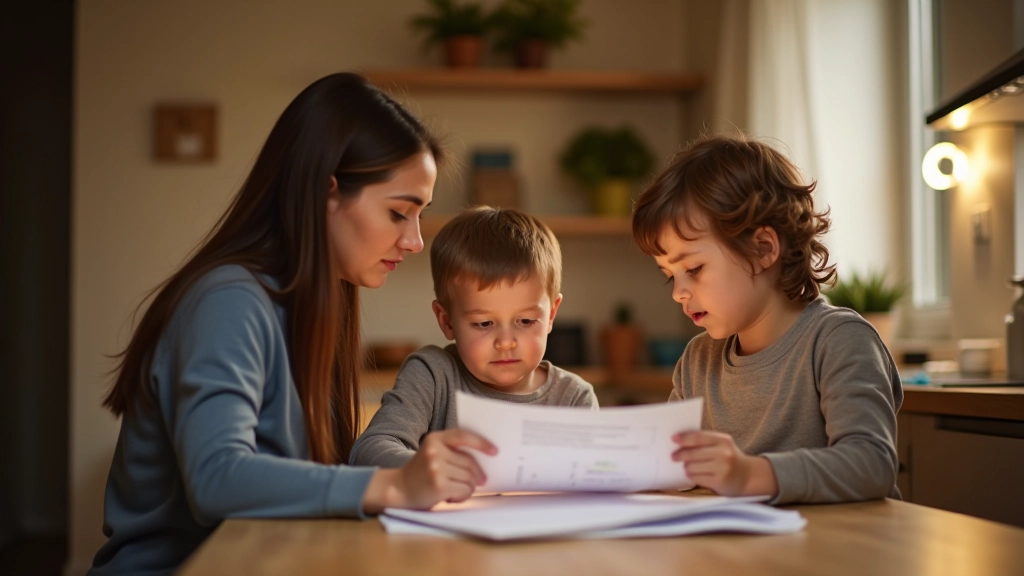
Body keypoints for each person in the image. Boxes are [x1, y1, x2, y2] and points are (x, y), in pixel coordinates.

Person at [89, 73, 498, 576]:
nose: (415, 241)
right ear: (327, 191)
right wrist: (395, 485)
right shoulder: (228, 300)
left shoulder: (318, 304)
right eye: (398, 213)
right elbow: (216, 479)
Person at [631, 135, 903, 504]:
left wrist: (750, 475)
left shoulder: (839, 340)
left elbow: (872, 465)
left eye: (693, 268)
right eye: (669, 274)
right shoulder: (698, 360)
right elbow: (671, 467)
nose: (678, 291)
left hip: (840, 550)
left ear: (763, 249)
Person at [350, 206, 598, 468]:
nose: (505, 342)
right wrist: (425, 470)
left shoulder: (574, 398)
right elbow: (369, 449)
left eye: (525, 321)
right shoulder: (432, 375)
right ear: (447, 321)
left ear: (550, 315)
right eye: (484, 323)